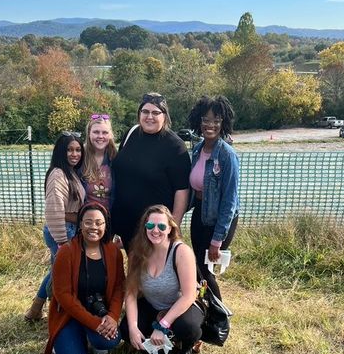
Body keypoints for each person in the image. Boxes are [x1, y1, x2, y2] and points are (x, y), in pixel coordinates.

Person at [44, 202, 125, 354]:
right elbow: (63, 296)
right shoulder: (66, 252)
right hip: (69, 315)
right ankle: (68, 340)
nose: (93, 227)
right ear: (80, 224)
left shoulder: (113, 252)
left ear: (106, 225)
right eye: (88, 222)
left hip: (99, 312)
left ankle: (93, 342)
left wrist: (112, 316)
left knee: (110, 340)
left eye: (99, 222)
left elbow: (119, 288)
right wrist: (94, 324)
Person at [120, 205, 204, 354]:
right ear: (144, 227)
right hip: (153, 304)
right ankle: (156, 339)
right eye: (150, 225)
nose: (155, 230)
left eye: (161, 226)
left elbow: (189, 295)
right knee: (124, 330)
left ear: (170, 228)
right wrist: (133, 327)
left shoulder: (181, 251)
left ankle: (187, 345)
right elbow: (130, 293)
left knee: (187, 328)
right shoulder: (136, 253)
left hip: (181, 306)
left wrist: (162, 326)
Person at [111, 93, 191, 250]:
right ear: (139, 113)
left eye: (156, 112)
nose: (149, 117)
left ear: (165, 116)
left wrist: (172, 227)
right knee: (135, 270)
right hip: (126, 224)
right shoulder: (131, 133)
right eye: (145, 111)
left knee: (152, 272)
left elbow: (182, 191)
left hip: (153, 229)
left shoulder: (175, 147)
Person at [24, 132, 85, 321]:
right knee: (61, 273)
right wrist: (62, 241)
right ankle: (55, 311)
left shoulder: (70, 172)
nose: (74, 154)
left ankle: (36, 308)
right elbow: (54, 209)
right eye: (69, 150)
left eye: (77, 150)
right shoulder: (58, 174)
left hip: (69, 230)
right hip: (62, 231)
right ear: (60, 151)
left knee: (55, 270)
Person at [188, 95, 240, 299]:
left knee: (207, 269)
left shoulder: (227, 155)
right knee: (198, 267)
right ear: (198, 121)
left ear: (223, 123)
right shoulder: (197, 149)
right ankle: (205, 309)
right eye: (205, 120)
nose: (210, 125)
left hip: (219, 219)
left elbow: (230, 201)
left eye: (216, 120)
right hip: (200, 215)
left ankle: (220, 316)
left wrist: (217, 239)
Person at [82, 114, 117, 211]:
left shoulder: (116, 160)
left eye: (105, 132)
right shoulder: (80, 159)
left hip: (109, 219)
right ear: (89, 133)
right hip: (85, 218)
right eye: (96, 132)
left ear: (110, 135)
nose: (100, 136)